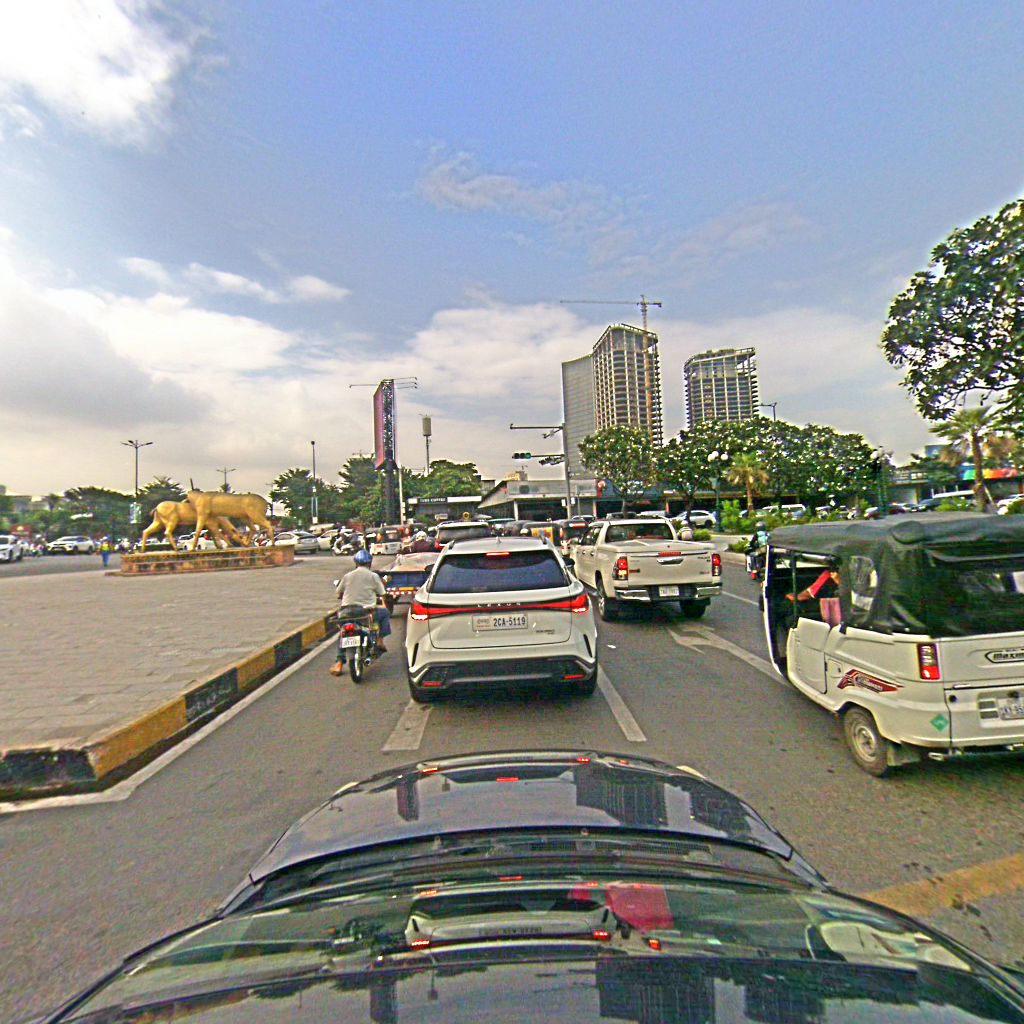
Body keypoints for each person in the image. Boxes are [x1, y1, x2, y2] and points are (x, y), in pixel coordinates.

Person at [331, 548, 391, 676]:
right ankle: (380, 641)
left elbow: (338, 592)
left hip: (346, 611)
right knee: (385, 613)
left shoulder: (347, 576)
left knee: (343, 632)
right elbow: (382, 593)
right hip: (365, 612)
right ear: (369, 563)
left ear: (356, 563)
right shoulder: (373, 576)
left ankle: (339, 663)